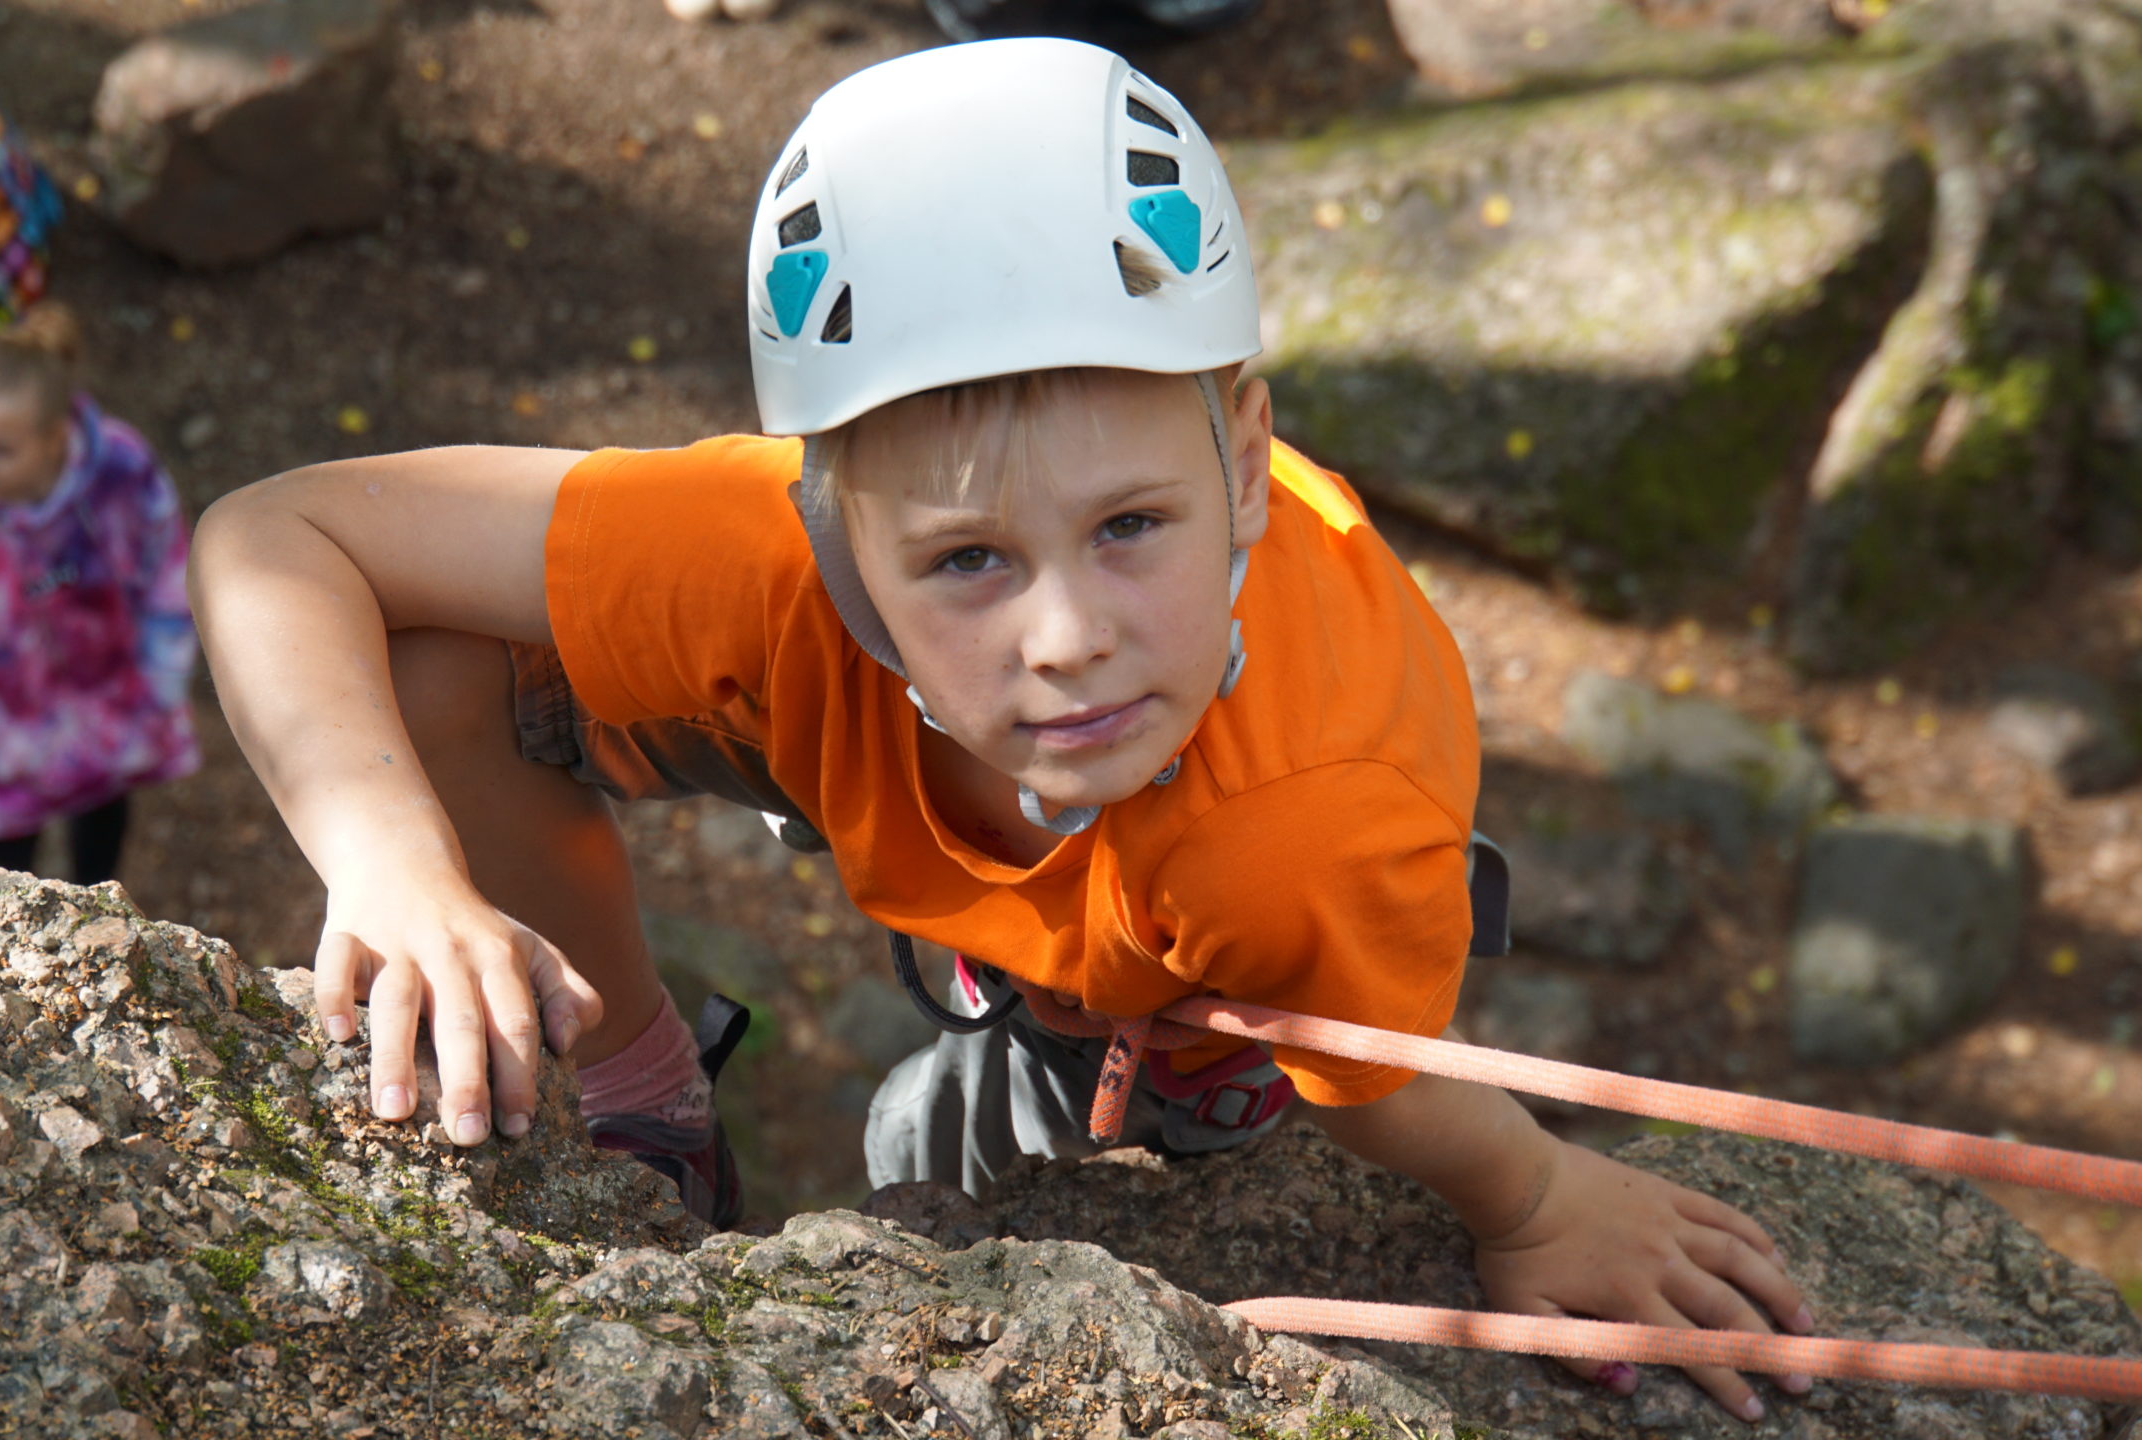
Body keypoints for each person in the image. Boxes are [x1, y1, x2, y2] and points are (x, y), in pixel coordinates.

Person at [188, 40, 1814, 1423]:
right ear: (831, 540)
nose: (1065, 638)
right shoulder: (766, 558)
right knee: (445, 669)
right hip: (882, 719)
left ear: (1247, 465)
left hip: (1202, 939)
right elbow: (277, 538)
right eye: (971, 559)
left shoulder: (1299, 823)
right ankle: (635, 1085)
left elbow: (1372, 1074)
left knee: (1001, 1124)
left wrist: (1530, 1193)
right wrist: (393, 863)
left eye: (1130, 529)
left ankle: (1122, 1052)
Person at [0, 301, 202, 886]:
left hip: (110, 725)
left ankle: (93, 914)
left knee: (99, 846)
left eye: (0, 449)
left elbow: (168, 567)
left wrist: (158, 682)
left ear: (54, 438)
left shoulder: (121, 472)